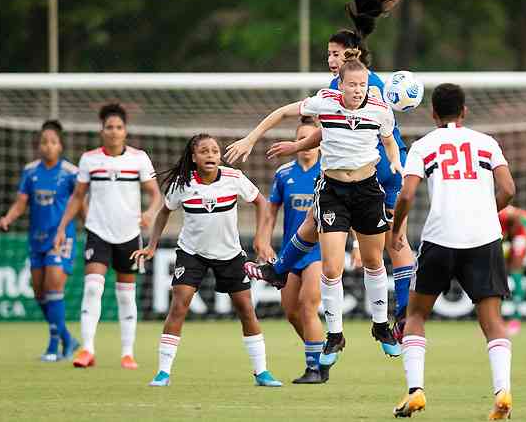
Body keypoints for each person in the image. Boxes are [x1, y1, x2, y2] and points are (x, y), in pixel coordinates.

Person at [225, 49, 403, 367]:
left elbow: (388, 139)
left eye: (362, 84)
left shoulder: (379, 108)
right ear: (341, 84)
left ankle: (381, 327)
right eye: (351, 84)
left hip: (367, 191)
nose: (357, 89)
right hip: (333, 191)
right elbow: (282, 112)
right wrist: (251, 138)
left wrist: (393, 160)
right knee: (332, 267)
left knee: (375, 261)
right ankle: (334, 336)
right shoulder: (325, 101)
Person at [261, 0, 415, 340]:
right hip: (371, 168)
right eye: (329, 55)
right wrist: (299, 146)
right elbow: (331, 128)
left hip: (374, 172)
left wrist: (295, 145)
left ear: (351, 58)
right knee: (325, 226)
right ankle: (401, 314)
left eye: (334, 55)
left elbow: (369, 131)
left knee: (390, 242)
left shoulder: (357, 86)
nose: (329, 60)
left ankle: (404, 314)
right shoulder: (348, 86)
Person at [389, 83, 516, 419]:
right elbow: (508, 189)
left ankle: (416, 391)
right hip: (484, 239)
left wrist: (395, 230)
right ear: (465, 111)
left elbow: (405, 195)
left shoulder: (424, 145)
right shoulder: (486, 143)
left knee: (415, 315)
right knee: (492, 320)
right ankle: (502, 389)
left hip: (440, 238)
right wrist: (488, 212)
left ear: (432, 113)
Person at [130, 134, 281, 387]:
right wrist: (152, 245)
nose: (210, 155)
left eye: (214, 151)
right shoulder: (183, 184)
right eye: (204, 151)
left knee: (246, 309)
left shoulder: (234, 178)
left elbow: (262, 204)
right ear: (194, 158)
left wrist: (261, 239)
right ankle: (163, 373)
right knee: (179, 305)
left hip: (230, 254)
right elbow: (164, 212)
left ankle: (262, 372)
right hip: (192, 254)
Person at [54, 103, 162, 370]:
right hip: (98, 232)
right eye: (109, 127)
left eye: (118, 127)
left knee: (125, 295)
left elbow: (156, 194)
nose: (114, 132)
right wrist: (61, 228)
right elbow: (78, 197)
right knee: (93, 287)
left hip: (129, 235)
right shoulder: (89, 159)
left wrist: (149, 213)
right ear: (101, 131)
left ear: (125, 131)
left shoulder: (138, 158)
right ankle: (87, 349)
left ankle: (127, 353)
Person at [0, 120, 80, 361]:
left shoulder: (70, 173)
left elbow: (80, 203)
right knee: (40, 294)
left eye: (53, 142)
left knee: (54, 287)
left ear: (60, 145)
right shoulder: (30, 171)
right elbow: (21, 202)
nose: (48, 146)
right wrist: (8, 218)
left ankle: (54, 346)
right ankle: (68, 338)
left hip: (61, 238)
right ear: (38, 145)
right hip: (37, 239)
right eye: (44, 142)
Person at [261, 117, 328, 384]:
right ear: (296, 142)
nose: (308, 145)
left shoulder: (330, 171)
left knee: (308, 304)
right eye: (302, 139)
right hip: (291, 251)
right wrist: (263, 240)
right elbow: (270, 212)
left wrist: (357, 244)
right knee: (291, 311)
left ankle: (314, 368)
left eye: (313, 139)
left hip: (319, 251)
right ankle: (320, 351)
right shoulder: (284, 173)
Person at [498, 205, 526, 336]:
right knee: (496, 273)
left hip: (520, 235)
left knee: (516, 272)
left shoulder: (516, 218)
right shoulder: (495, 217)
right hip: (507, 237)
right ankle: (496, 320)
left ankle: (516, 319)